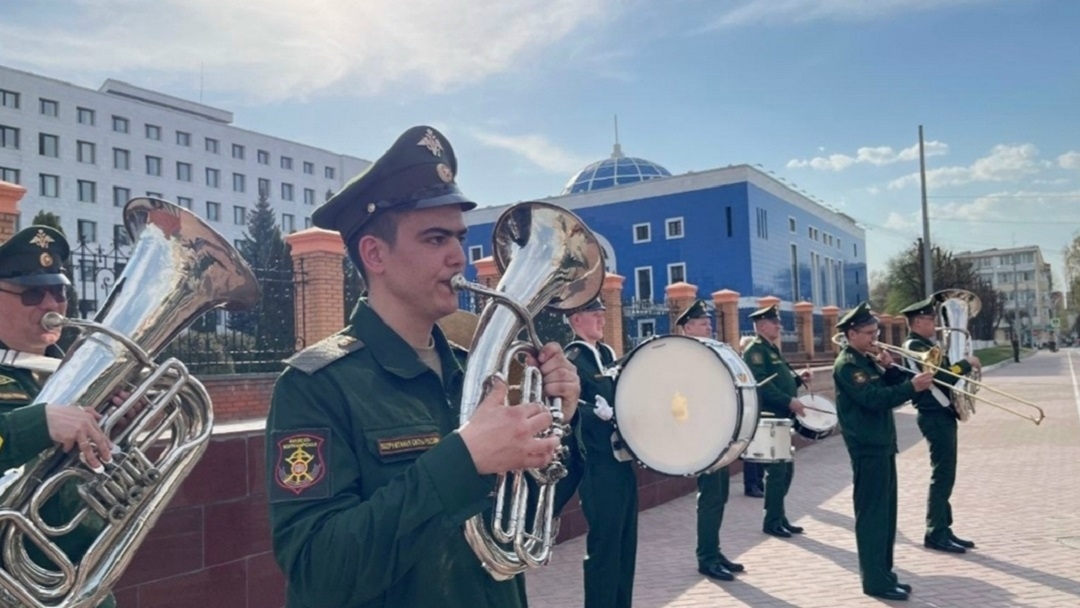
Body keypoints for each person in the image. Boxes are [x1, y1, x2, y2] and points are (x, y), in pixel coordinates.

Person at [266, 126, 582, 608]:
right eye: (436, 239)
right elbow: (317, 568)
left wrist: (555, 426)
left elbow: (518, 533)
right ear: (375, 254)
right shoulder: (316, 385)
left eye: (459, 237)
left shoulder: (474, 374)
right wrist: (465, 460)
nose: (459, 256)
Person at [0, 225, 116, 607]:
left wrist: (118, 430)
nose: (51, 304)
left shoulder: (75, 374)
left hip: (83, 588)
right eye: (33, 293)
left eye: (59, 290)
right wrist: (38, 425)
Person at [833, 302, 933, 602]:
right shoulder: (848, 365)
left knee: (887, 515)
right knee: (873, 516)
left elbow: (893, 388)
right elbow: (874, 400)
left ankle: (885, 574)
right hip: (867, 448)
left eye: (875, 331)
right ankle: (875, 581)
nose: (874, 337)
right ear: (851, 333)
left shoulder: (867, 360)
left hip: (882, 445)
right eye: (868, 332)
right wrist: (911, 388)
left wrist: (891, 369)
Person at [564, 298, 637, 608]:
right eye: (595, 315)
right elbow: (567, 405)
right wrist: (596, 413)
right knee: (604, 546)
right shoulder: (573, 358)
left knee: (625, 542)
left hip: (622, 460)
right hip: (597, 464)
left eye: (602, 314)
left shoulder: (606, 353)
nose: (602, 320)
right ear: (576, 320)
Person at [899, 295, 981, 554]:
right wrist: (966, 365)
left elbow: (944, 373)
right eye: (930, 318)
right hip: (933, 414)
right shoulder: (914, 346)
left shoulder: (927, 344)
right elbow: (940, 378)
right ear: (918, 321)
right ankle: (935, 531)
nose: (935, 322)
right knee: (942, 474)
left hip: (942, 413)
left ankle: (944, 527)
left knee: (947, 473)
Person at [675, 299, 744, 582]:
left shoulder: (709, 354)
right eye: (703, 323)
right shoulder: (683, 357)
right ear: (688, 328)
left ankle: (714, 551)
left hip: (718, 433)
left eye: (709, 322)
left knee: (720, 494)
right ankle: (706, 557)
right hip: (701, 435)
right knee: (711, 496)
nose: (710, 326)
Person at [742, 304, 812, 538]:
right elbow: (763, 385)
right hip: (771, 418)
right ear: (762, 326)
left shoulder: (771, 348)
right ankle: (771, 520)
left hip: (782, 417)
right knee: (777, 472)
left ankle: (779, 516)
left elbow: (779, 379)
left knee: (785, 471)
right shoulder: (755, 351)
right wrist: (789, 401)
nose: (779, 325)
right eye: (774, 322)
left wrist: (798, 380)